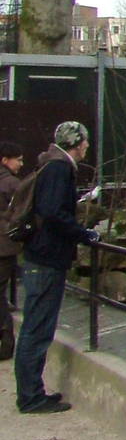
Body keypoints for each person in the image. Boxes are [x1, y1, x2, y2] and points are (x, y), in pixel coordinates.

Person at [13, 121, 100, 414]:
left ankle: (31, 392)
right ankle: (30, 396)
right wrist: (82, 233)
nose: (88, 146)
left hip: (39, 256)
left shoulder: (49, 165)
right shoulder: (59, 169)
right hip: (47, 258)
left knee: (34, 326)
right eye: (86, 141)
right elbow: (53, 212)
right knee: (37, 329)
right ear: (78, 143)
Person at [0, 138, 23, 360]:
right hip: (5, 246)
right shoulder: (12, 184)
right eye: (18, 160)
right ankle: (6, 343)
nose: (20, 164)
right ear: (5, 160)